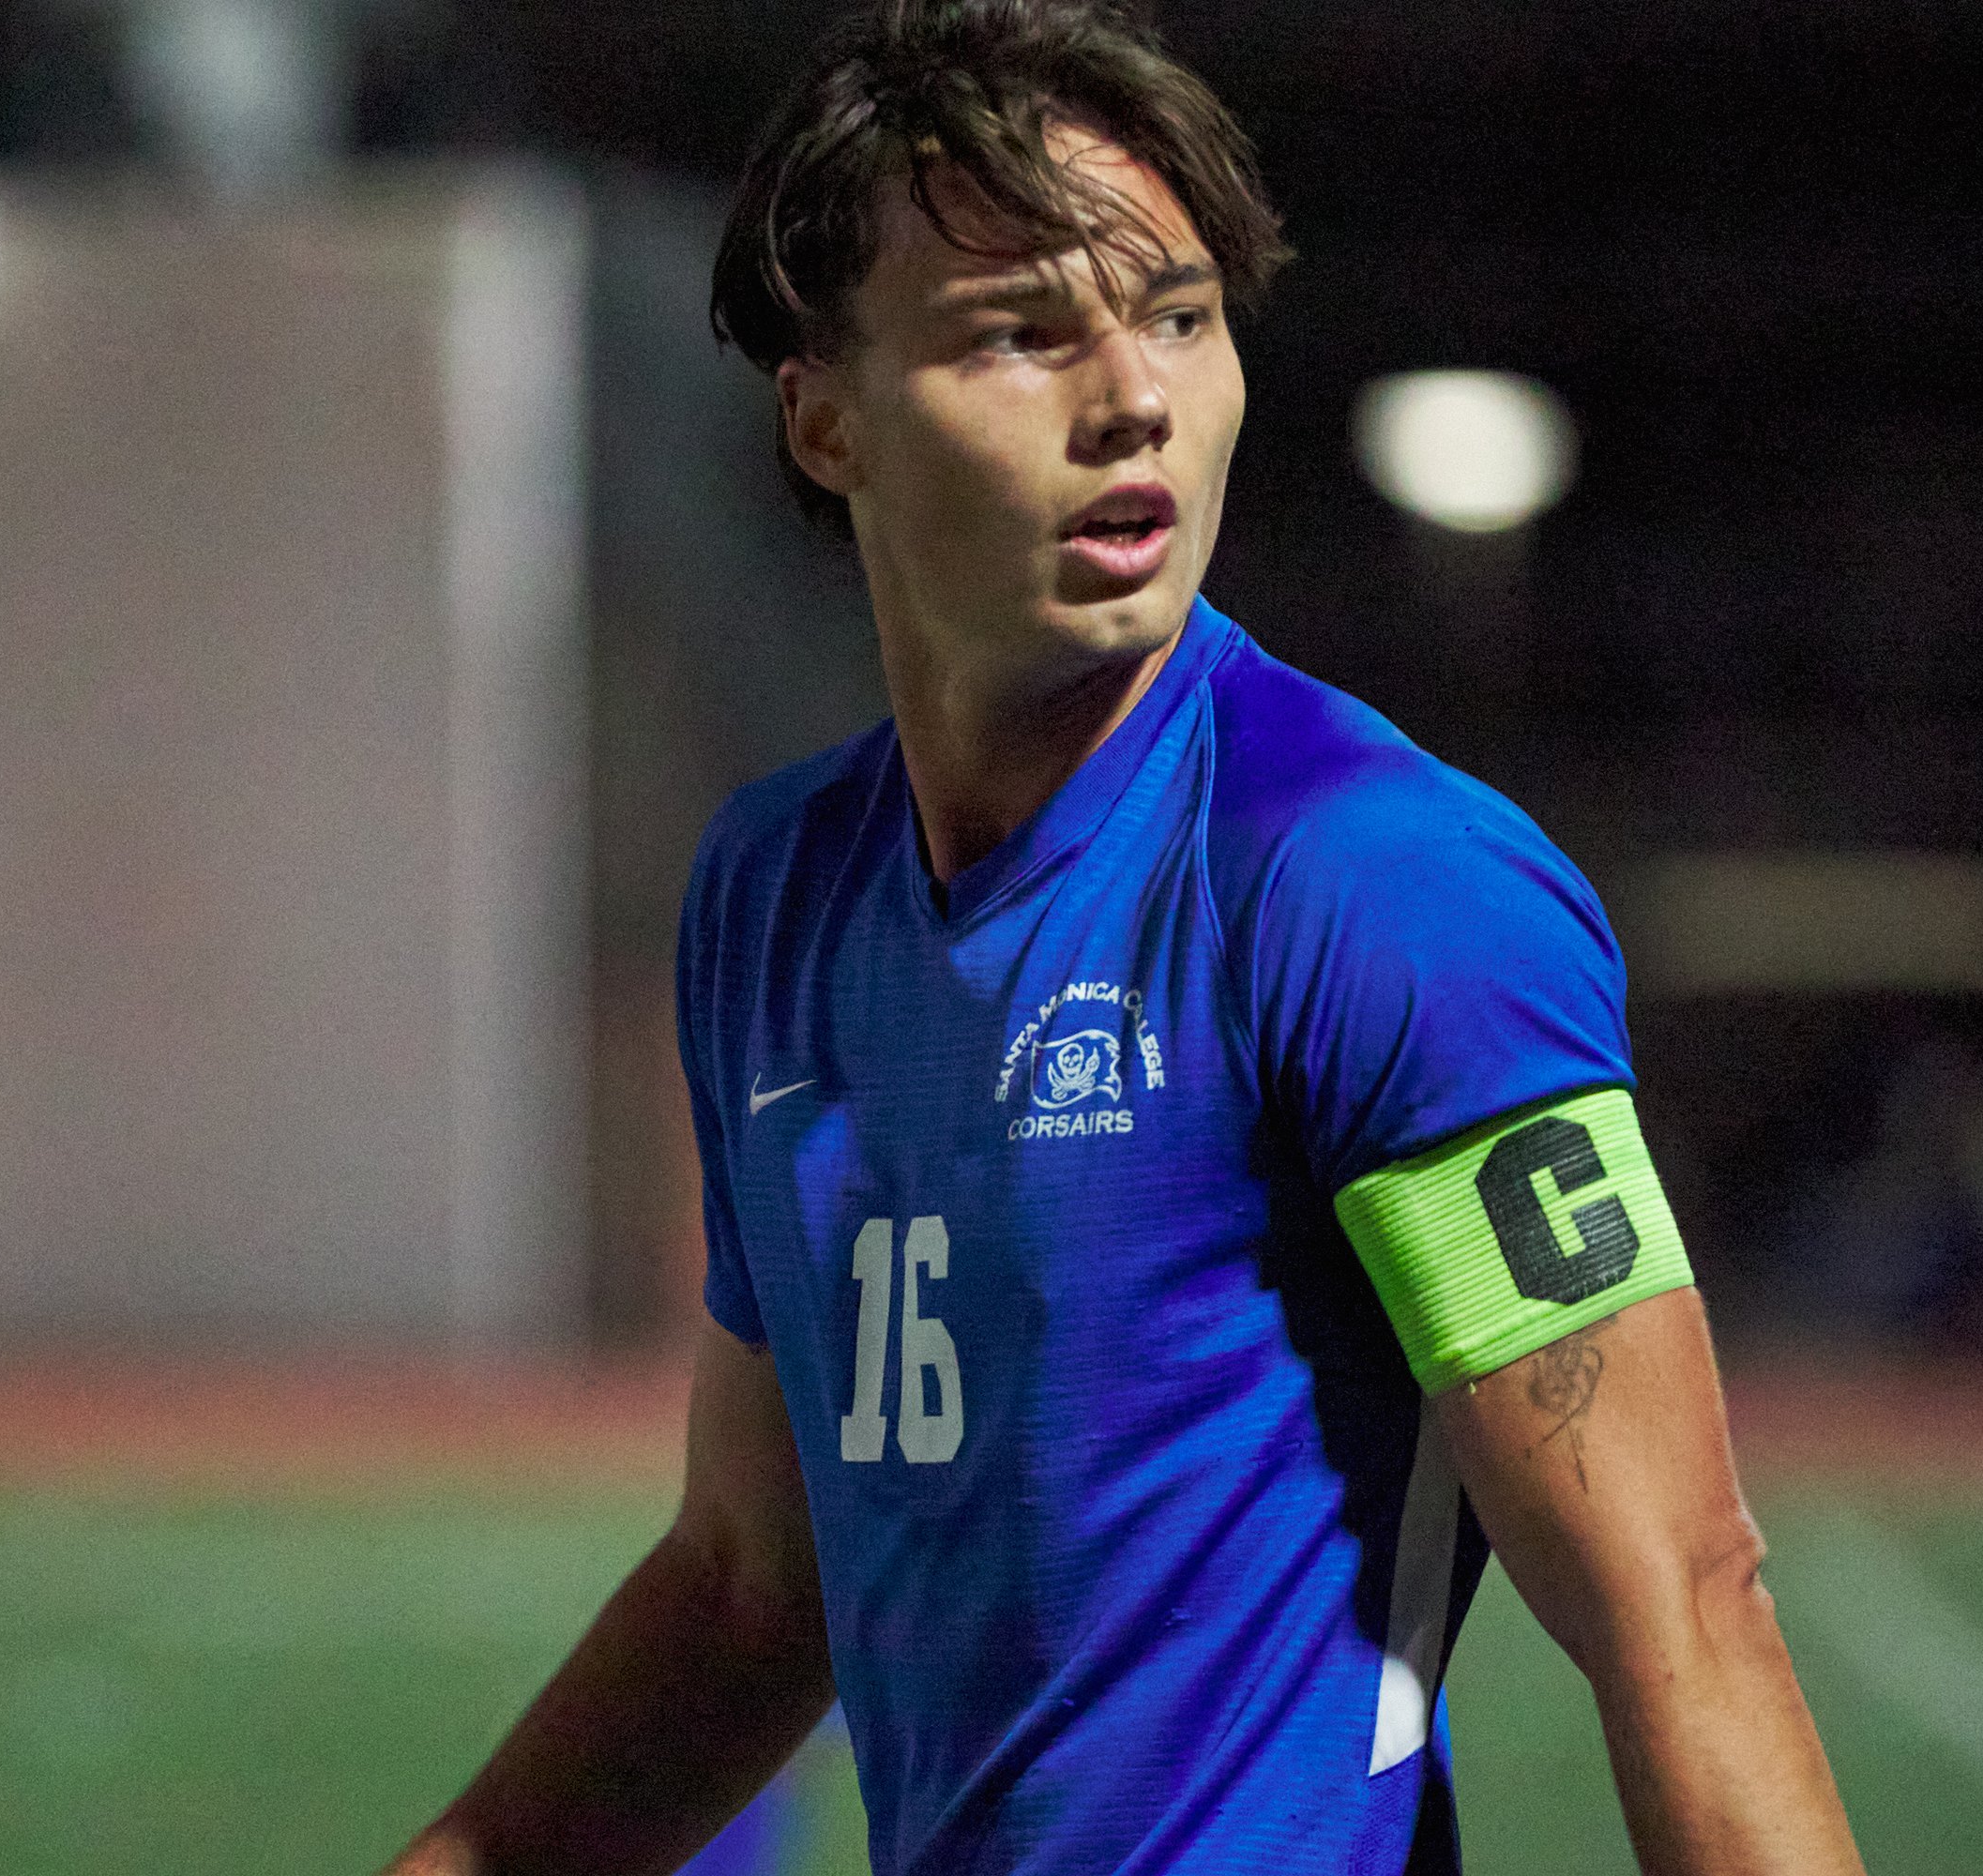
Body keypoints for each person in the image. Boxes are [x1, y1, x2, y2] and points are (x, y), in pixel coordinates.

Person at [386, 1, 1867, 1870]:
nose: (1130, 398)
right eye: (1017, 332)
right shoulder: (770, 900)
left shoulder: (1366, 879)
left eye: (1175, 314)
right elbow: (756, 1588)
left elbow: (1679, 1589)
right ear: (822, 414)